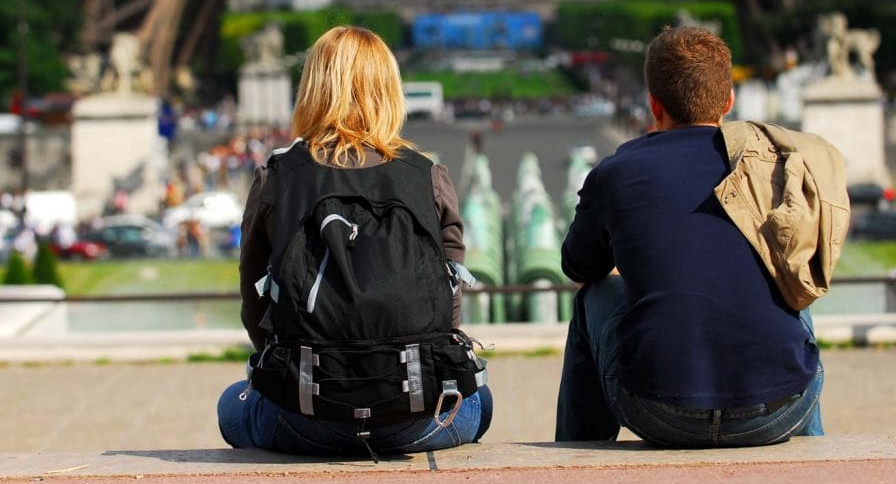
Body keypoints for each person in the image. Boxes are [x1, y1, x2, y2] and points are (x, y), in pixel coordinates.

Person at [555, 26, 849, 447]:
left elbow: (579, 267)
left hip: (657, 409)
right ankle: (812, 456)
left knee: (594, 298)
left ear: (653, 104)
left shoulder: (615, 172)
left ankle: (578, 451)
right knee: (792, 289)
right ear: (728, 100)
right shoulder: (768, 166)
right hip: (782, 411)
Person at [218, 26, 492, 456]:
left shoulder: (276, 178)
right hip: (417, 416)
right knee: (480, 400)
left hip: (304, 416)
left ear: (312, 88)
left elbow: (255, 307)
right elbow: (448, 306)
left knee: (230, 403)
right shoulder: (429, 176)